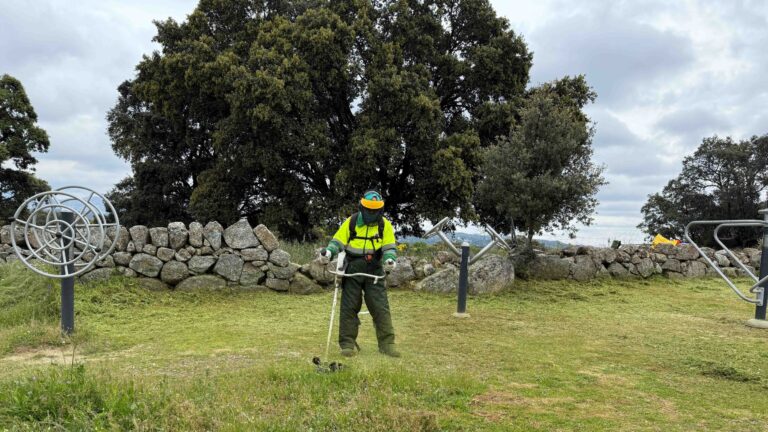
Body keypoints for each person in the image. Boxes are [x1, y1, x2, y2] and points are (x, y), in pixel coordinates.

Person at [317, 190, 400, 358]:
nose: (371, 212)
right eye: (368, 209)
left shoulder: (385, 225)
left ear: (380, 210)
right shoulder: (351, 222)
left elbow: (389, 248)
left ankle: (387, 344)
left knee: (380, 307)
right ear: (362, 207)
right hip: (353, 269)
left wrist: (390, 260)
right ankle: (347, 344)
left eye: (375, 210)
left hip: (374, 269)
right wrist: (328, 253)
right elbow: (337, 242)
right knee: (349, 307)